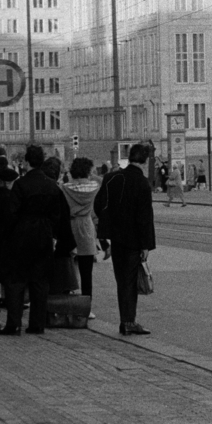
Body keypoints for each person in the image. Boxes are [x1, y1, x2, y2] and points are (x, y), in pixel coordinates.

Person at [0, 145, 74, 335]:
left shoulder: (20, 184)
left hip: (21, 237)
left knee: (16, 281)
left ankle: (13, 324)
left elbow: (11, 214)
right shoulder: (51, 186)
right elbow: (58, 216)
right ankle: (37, 324)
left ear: (26, 162)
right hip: (44, 237)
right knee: (40, 282)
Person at [96, 141, 156, 335]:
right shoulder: (142, 183)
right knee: (129, 282)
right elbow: (144, 217)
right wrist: (146, 245)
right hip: (133, 241)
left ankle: (126, 321)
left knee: (122, 280)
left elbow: (99, 206)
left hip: (116, 238)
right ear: (145, 161)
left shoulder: (111, 178)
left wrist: (108, 229)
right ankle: (128, 322)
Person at [62, 156, 102, 317]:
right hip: (86, 228)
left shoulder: (64, 188)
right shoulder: (95, 187)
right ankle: (87, 308)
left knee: (67, 269)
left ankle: (65, 305)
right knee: (87, 273)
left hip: (69, 227)